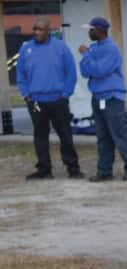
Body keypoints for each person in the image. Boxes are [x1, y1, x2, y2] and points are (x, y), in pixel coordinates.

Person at [16, 17, 83, 180]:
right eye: (34, 29)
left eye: (40, 29)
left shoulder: (60, 48)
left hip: (57, 100)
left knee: (65, 134)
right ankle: (44, 169)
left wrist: (65, 95)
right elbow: (20, 75)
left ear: (48, 30)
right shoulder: (26, 49)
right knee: (40, 135)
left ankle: (73, 168)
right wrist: (26, 95)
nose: (36, 32)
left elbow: (71, 73)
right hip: (36, 101)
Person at [78, 16, 127, 182]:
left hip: (112, 97)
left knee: (119, 134)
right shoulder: (93, 48)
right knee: (102, 136)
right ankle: (104, 171)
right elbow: (84, 72)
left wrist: (86, 56)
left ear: (100, 30)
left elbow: (98, 71)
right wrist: (89, 60)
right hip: (97, 97)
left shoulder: (111, 49)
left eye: (91, 29)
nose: (89, 32)